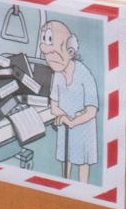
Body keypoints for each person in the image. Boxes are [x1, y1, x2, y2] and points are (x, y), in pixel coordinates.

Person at [40, 20, 100, 184]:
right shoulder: (58, 74)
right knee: (65, 161)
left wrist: (73, 121)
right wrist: (66, 117)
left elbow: (92, 110)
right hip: (65, 126)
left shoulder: (84, 75)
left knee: (82, 163)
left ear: (71, 51)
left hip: (83, 129)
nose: (50, 59)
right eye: (47, 55)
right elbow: (54, 106)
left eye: (55, 54)